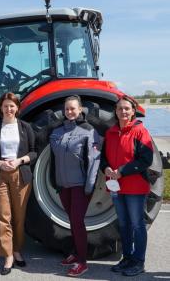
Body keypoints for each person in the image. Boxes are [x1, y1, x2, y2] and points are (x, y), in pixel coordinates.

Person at [101, 95, 153, 277]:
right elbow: (103, 158)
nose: (123, 111)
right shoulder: (111, 132)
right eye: (120, 108)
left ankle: (139, 261)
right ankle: (127, 257)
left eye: (127, 109)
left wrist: (122, 171)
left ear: (133, 112)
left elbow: (146, 159)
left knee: (137, 224)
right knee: (123, 224)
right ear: (115, 111)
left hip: (135, 187)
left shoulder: (140, 132)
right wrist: (106, 168)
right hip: (116, 186)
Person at [0, 92, 36, 276]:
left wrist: (19, 161)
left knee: (19, 216)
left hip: (20, 174)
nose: (8, 109)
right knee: (2, 217)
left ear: (17, 108)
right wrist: (1, 163)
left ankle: (17, 250)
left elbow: (33, 153)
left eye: (12, 106)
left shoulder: (25, 127)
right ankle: (7, 255)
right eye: (5, 106)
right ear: (1, 108)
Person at [50, 95, 101, 277]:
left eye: (73, 108)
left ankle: (82, 262)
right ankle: (75, 252)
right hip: (64, 186)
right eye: (67, 109)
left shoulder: (88, 131)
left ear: (80, 110)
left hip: (80, 185)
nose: (70, 112)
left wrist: (89, 186)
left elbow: (93, 161)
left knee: (78, 222)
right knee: (71, 220)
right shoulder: (57, 132)